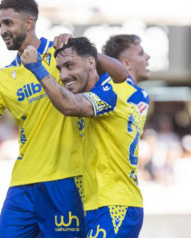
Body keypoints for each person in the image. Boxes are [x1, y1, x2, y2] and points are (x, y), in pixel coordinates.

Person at [0, 0, 128, 237]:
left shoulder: (62, 56)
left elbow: (122, 74)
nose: (2, 30)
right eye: (0, 24)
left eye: (8, 23)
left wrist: (83, 48)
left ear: (29, 22)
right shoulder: (3, 77)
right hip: (21, 185)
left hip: (67, 181)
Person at [21, 37, 143, 238]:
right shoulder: (94, 94)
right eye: (59, 69)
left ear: (91, 62)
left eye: (70, 65)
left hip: (116, 205)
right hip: (96, 206)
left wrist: (36, 67)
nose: (64, 75)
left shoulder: (108, 93)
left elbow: (70, 105)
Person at [102, 34, 151, 134]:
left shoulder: (102, 87)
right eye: (141, 54)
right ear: (126, 63)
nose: (148, 57)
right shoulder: (137, 94)